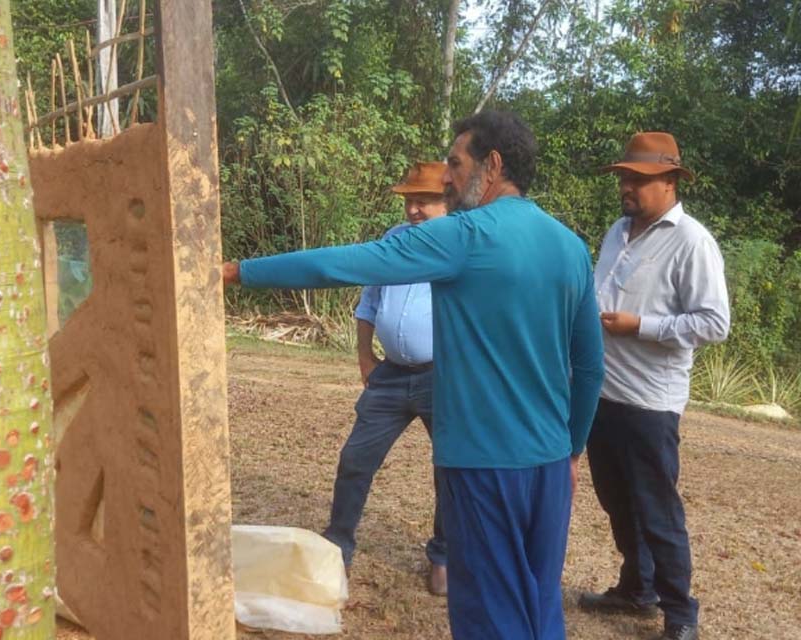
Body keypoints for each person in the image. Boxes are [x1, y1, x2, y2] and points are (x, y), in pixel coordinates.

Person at [223, 111, 605, 640]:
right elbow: (589, 365)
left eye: (455, 163)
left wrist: (238, 271)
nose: (445, 177)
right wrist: (572, 451)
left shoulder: (464, 235)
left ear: (492, 166)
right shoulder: (570, 246)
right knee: (540, 607)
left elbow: (345, 264)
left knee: (490, 616)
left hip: (483, 463)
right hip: (547, 464)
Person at [578, 132, 730, 640]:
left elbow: (713, 322)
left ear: (669, 182)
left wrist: (639, 325)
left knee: (657, 510)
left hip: (650, 403)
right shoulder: (616, 232)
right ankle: (636, 587)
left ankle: (680, 612)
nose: (627, 186)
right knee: (616, 500)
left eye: (638, 179)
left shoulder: (692, 241)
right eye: (624, 177)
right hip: (603, 393)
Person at [322, 161, 448, 595]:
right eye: (410, 200)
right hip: (390, 376)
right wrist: (364, 357)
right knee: (355, 459)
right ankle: (337, 547)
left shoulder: (462, 248)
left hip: (443, 377)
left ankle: (444, 556)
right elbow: (369, 301)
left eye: (425, 201)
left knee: (450, 468)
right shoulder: (393, 241)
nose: (413, 210)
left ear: (448, 203)